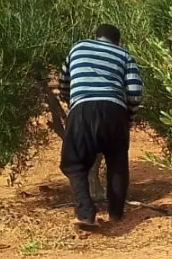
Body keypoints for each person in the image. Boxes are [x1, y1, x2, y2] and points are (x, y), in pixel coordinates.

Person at [58, 24, 143, 228]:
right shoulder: (124, 55)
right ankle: (116, 214)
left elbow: (63, 82)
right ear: (117, 42)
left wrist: (72, 103)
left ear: (95, 37)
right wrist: (128, 118)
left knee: (74, 164)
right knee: (117, 163)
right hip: (115, 111)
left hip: (83, 110)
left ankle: (85, 213)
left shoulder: (77, 48)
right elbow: (135, 92)